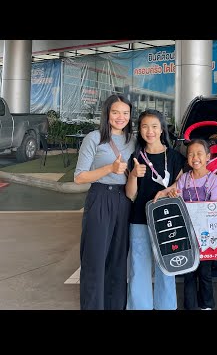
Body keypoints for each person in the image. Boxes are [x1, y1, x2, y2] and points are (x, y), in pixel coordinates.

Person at [74, 94, 135, 310]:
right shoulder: (94, 138)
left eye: (125, 113)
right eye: (116, 112)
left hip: (124, 200)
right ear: (107, 113)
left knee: (118, 262)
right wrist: (109, 168)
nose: (121, 117)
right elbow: (79, 176)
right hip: (100, 198)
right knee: (95, 261)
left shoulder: (132, 140)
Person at [125, 109, 186, 310]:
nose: (149, 131)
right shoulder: (135, 157)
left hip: (168, 222)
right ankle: (139, 306)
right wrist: (133, 175)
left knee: (167, 268)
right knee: (138, 268)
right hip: (140, 220)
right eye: (144, 126)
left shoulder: (176, 157)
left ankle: (166, 306)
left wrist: (171, 190)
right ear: (139, 130)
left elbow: (181, 186)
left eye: (154, 126)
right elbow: (130, 195)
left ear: (161, 129)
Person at [173, 139, 217, 310]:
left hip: (206, 236)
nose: (195, 157)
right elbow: (177, 202)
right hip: (186, 235)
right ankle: (190, 306)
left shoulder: (214, 180)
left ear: (208, 156)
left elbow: (216, 209)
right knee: (188, 274)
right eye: (191, 154)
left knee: (205, 274)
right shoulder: (184, 179)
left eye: (199, 153)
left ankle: (206, 306)